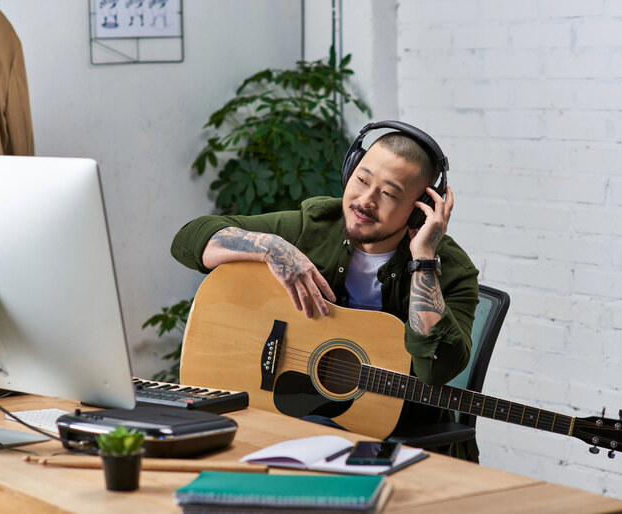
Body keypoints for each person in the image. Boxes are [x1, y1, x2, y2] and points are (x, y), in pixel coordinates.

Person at [171, 120, 480, 460]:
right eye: (361, 179)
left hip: (399, 442)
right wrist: (270, 246)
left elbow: (437, 369)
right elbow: (189, 240)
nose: (364, 200)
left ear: (422, 208)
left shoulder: (449, 268)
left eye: (389, 194)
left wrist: (423, 259)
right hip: (290, 425)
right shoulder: (316, 226)